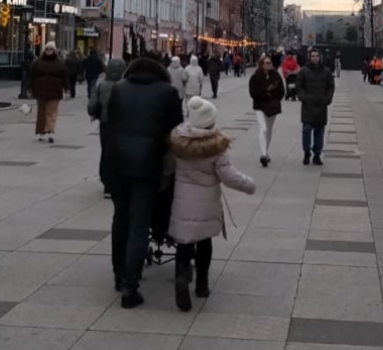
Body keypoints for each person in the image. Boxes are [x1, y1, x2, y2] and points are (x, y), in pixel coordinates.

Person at [99, 57, 182, 309]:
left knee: (120, 219)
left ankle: (119, 274)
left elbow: (108, 125)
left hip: (116, 164)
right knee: (139, 223)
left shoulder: (118, 89)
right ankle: (130, 287)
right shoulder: (168, 92)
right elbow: (176, 131)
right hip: (147, 165)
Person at [169, 96, 256, 312]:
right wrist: (249, 185)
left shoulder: (177, 140)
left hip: (182, 201)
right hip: (206, 203)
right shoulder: (215, 147)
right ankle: (202, 285)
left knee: (184, 243)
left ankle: (181, 276)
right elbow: (229, 176)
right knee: (204, 242)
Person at [88, 57, 127, 198]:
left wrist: (95, 113)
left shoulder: (101, 85)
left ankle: (107, 183)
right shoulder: (126, 85)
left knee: (106, 152)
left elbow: (92, 105)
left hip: (105, 124)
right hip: (123, 125)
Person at [295, 49, 335, 166]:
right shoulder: (303, 71)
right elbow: (298, 86)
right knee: (306, 130)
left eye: (317, 56)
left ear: (320, 57)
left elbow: (331, 86)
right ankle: (306, 152)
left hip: (321, 105)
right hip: (308, 105)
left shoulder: (326, 72)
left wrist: (328, 99)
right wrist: (303, 98)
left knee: (319, 131)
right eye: (313, 56)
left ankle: (317, 154)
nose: (315, 58)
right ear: (309, 57)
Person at [249, 54, 285, 167]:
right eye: (267, 63)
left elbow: (281, 91)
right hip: (260, 105)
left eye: (270, 63)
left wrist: (274, 97)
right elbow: (253, 93)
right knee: (263, 128)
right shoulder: (255, 77)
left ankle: (266, 151)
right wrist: (266, 93)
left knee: (269, 129)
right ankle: (263, 154)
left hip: (272, 106)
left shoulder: (276, 75)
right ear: (262, 65)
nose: (270, 65)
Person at [30, 42, 68, 143]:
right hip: (41, 91)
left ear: (54, 51)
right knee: (41, 113)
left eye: (51, 49)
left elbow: (65, 77)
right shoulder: (38, 63)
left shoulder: (59, 64)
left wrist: (66, 89)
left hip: (54, 91)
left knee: (51, 112)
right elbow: (32, 76)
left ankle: (50, 131)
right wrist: (31, 88)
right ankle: (40, 132)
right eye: (47, 49)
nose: (49, 51)